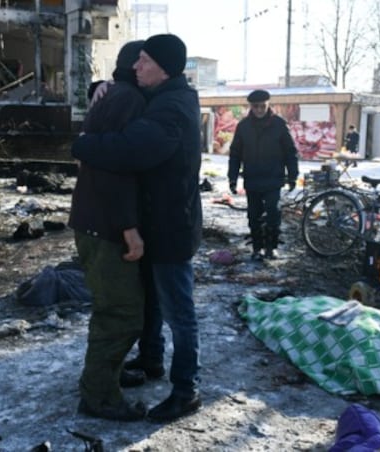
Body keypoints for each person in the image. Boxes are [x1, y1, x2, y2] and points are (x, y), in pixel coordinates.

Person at [71, 33, 203, 423]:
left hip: (170, 228)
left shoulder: (172, 110)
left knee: (179, 313)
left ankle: (186, 389)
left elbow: (130, 150)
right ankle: (150, 361)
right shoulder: (161, 97)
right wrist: (103, 86)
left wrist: (81, 144)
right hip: (156, 224)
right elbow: (122, 94)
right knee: (151, 303)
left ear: (164, 69)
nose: (135, 67)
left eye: (144, 61)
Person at [68, 41, 148, 422]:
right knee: (120, 313)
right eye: (148, 60)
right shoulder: (128, 99)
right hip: (104, 224)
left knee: (115, 309)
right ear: (136, 65)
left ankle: (106, 376)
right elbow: (113, 170)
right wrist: (127, 228)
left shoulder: (113, 94)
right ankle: (99, 396)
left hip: (94, 219)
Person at [227, 89, 299, 260]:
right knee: (254, 215)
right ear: (250, 106)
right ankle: (257, 248)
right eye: (255, 106)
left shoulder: (279, 124)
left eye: (262, 106)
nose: (259, 110)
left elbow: (290, 151)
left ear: (268, 105)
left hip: (273, 178)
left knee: (273, 212)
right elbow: (235, 153)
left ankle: (271, 247)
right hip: (252, 179)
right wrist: (232, 177)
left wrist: (293, 175)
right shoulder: (243, 126)